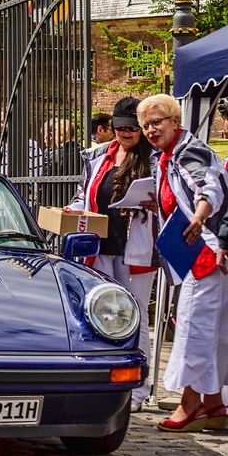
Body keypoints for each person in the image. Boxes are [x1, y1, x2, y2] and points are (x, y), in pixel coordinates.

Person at [136, 94, 228, 432]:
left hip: (203, 252)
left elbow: (209, 186)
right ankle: (215, 404)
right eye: (146, 124)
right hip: (199, 253)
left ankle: (191, 406)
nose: (150, 129)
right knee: (213, 330)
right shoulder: (167, 156)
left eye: (157, 121)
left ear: (176, 121)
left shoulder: (189, 152)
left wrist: (201, 216)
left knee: (193, 327)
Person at [66, 97, 157, 412]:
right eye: (120, 127)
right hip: (101, 246)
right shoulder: (99, 156)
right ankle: (104, 379)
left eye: (133, 127)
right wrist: (73, 210)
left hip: (137, 248)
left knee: (136, 315)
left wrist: (155, 204)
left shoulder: (154, 159)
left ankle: (139, 388)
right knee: (102, 313)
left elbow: (169, 197)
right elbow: (84, 194)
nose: (126, 133)